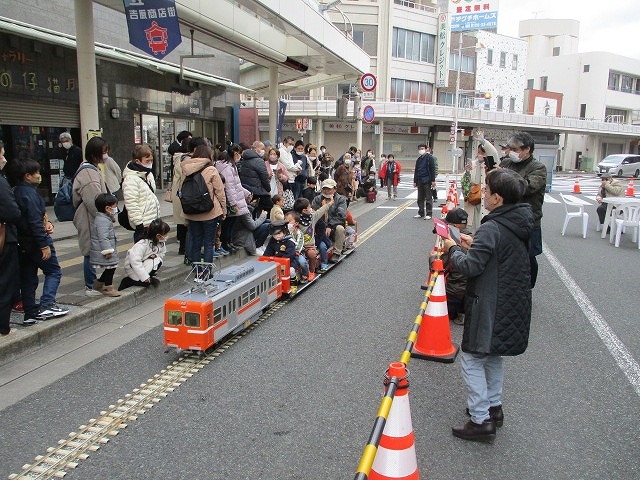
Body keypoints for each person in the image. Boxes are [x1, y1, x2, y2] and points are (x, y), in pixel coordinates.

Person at [444, 168, 534, 442]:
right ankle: (494, 409)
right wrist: (474, 244)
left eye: (486, 190)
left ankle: (480, 420)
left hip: (490, 302)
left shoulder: (492, 226)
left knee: (472, 358)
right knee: (493, 356)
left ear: (497, 198)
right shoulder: (518, 221)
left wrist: (452, 248)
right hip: (511, 301)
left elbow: (471, 268)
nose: (482, 193)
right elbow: (498, 256)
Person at [11, 159, 69, 323]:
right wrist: (44, 244)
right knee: (53, 271)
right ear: (27, 176)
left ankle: (30, 312)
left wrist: (47, 224)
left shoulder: (16, 191)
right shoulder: (29, 194)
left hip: (22, 242)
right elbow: (35, 221)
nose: (39, 176)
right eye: (36, 173)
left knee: (28, 277)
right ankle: (47, 304)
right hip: (36, 241)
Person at [500, 131, 547, 288]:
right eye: (510, 148)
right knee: (507, 255)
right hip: (506, 217)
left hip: (529, 220)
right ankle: (510, 284)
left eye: (516, 149)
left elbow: (527, 188)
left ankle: (527, 287)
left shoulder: (538, 168)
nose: (512, 152)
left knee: (528, 256)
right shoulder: (506, 163)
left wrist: (504, 178)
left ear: (527, 149)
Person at [72, 136, 108, 296]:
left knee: (95, 249)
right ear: (95, 154)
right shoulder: (88, 172)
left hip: (91, 215)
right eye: (104, 152)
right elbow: (94, 200)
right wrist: (105, 215)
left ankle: (95, 283)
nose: (106, 156)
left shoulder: (91, 168)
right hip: (88, 216)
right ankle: (90, 286)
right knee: (90, 250)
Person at [181, 141, 226, 265]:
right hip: (209, 211)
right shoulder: (211, 169)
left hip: (191, 212)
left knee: (196, 241)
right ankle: (207, 272)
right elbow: (220, 192)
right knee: (208, 242)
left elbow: (181, 190)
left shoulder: (186, 169)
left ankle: (196, 272)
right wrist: (223, 209)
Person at [429, 208, 472, 325]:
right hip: (473, 290)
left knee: (436, 308)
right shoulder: (472, 238)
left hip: (456, 292)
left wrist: (432, 258)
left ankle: (458, 312)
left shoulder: (453, 243)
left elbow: (439, 268)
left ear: (453, 226)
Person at [0, 150, 22, 335]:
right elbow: (12, 213)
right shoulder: (1, 182)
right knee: (6, 282)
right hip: (4, 239)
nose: (4, 159)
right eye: (2, 155)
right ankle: (3, 327)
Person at [215, 144, 252, 253]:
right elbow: (229, 187)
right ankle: (225, 243)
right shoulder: (227, 167)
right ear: (235, 153)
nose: (240, 156)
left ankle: (228, 242)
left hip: (234, 198)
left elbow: (236, 184)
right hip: (230, 200)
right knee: (228, 223)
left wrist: (246, 193)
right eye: (239, 153)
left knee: (231, 222)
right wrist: (233, 203)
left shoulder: (231, 165)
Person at [122, 144, 161, 243]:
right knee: (142, 255)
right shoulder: (131, 179)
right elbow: (131, 204)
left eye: (151, 160)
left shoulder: (148, 174)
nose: (150, 163)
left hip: (153, 222)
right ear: (137, 161)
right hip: (143, 225)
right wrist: (139, 225)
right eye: (147, 161)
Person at [118, 219, 170, 290]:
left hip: (144, 263)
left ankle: (146, 276)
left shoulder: (160, 243)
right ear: (158, 236)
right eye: (165, 234)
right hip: (132, 267)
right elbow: (135, 262)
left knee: (158, 261)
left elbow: (162, 253)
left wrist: (156, 256)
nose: (167, 236)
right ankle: (128, 281)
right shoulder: (142, 245)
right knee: (145, 282)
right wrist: (144, 276)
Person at [89, 193, 121, 297]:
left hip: (107, 248)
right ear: (107, 208)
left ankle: (99, 284)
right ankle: (108, 287)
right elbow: (103, 237)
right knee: (111, 268)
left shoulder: (103, 218)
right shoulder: (103, 221)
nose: (116, 209)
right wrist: (108, 251)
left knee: (111, 267)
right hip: (105, 250)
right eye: (114, 207)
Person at [293, 196, 333, 275]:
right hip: (297, 246)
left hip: (309, 246)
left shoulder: (312, 217)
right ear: (304, 210)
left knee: (312, 254)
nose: (311, 208)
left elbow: (321, 211)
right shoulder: (295, 220)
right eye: (309, 207)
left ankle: (311, 271)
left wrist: (330, 203)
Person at [311, 178, 347, 262]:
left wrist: (330, 226)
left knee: (340, 229)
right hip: (320, 225)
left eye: (329, 189)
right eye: (324, 188)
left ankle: (337, 253)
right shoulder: (317, 199)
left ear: (335, 189)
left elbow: (341, 216)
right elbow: (314, 213)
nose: (326, 191)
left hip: (334, 225)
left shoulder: (341, 199)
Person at [239, 140, 272, 217]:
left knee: (252, 211)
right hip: (258, 190)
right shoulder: (259, 161)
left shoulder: (245, 159)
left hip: (247, 189)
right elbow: (264, 177)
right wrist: (268, 189)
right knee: (269, 207)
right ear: (256, 149)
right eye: (262, 148)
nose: (264, 151)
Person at [284, 211, 310, 283]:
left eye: (289, 221)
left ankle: (305, 274)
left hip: (296, 253)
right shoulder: (283, 232)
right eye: (285, 220)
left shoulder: (298, 233)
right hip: (285, 252)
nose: (287, 223)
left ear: (296, 223)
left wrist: (296, 251)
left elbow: (300, 244)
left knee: (302, 262)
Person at [413, 144, 437, 219]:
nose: (421, 150)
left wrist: (433, 180)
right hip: (420, 180)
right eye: (420, 149)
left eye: (422, 148)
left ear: (426, 149)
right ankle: (421, 212)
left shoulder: (430, 158)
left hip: (427, 180)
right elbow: (416, 171)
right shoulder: (419, 159)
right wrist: (415, 181)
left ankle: (429, 214)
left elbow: (432, 169)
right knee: (420, 198)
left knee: (428, 197)